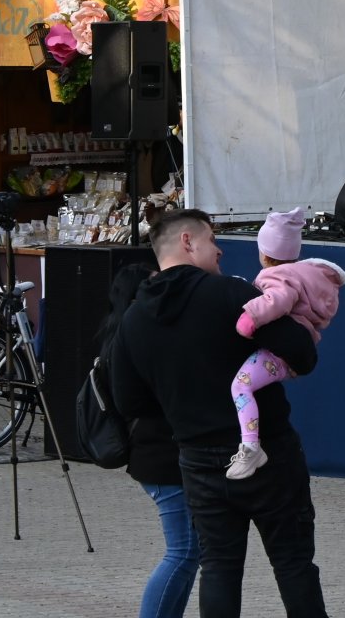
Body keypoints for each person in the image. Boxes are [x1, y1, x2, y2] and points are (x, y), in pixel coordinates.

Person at [110, 208, 327, 618]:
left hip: (198, 461)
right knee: (293, 564)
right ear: (188, 241)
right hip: (269, 454)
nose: (220, 250)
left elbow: (129, 401)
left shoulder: (134, 319)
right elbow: (303, 352)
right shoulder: (230, 294)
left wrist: (183, 403)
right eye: (212, 240)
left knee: (220, 569)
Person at [99, 261, 200, 618]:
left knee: (189, 552)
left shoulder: (119, 337)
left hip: (155, 455)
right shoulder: (135, 338)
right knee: (183, 551)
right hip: (159, 457)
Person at [226, 208, 345, 480]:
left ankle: (250, 446)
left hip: (278, 352)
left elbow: (277, 300)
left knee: (240, 385)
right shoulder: (308, 276)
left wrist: (249, 318)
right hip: (294, 351)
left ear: (265, 254)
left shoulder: (277, 277)